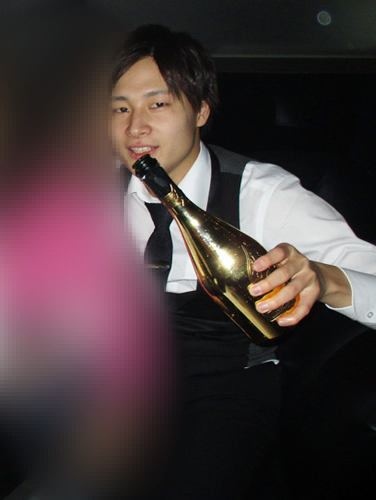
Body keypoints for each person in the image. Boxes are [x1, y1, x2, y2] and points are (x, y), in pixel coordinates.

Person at [110, 24, 376, 499]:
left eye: (158, 104)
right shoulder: (89, 193)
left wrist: (322, 278)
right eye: (120, 108)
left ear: (201, 110)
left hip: (228, 387)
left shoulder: (263, 193)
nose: (135, 128)